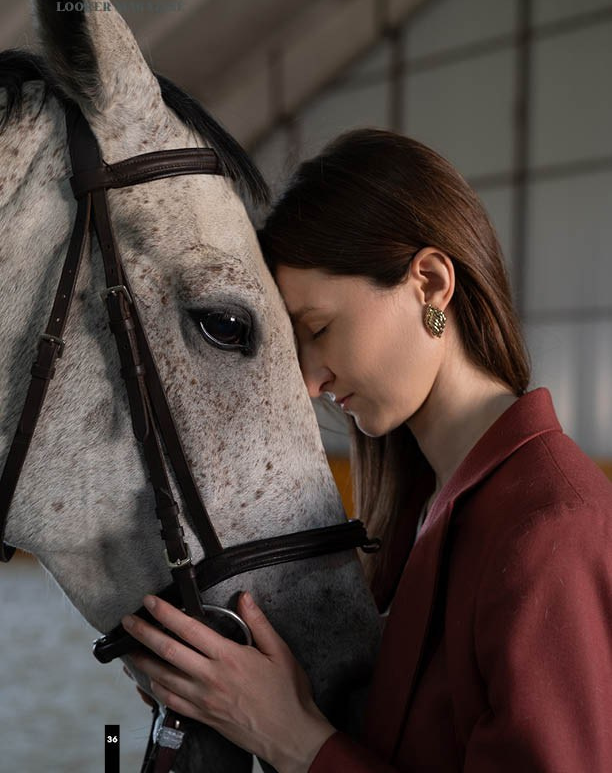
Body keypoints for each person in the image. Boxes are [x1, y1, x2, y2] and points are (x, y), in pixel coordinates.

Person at [121, 129, 612, 772]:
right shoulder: (417, 514)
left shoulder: (554, 529)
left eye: (320, 329)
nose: (308, 383)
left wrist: (295, 740)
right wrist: (221, 697)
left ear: (431, 283)